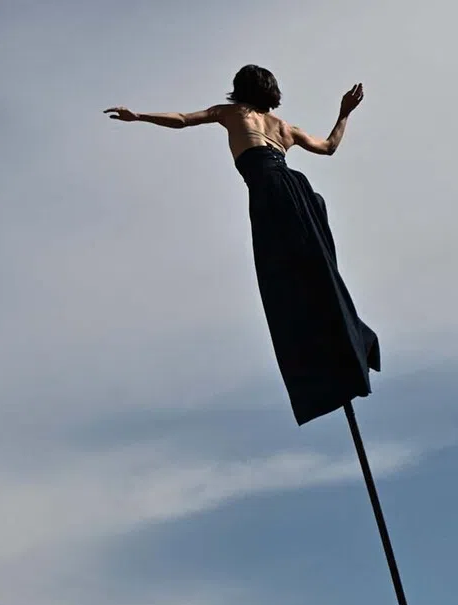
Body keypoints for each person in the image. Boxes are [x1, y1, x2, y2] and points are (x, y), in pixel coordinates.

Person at [104, 64, 380, 425]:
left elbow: (183, 119)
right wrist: (343, 114)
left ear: (240, 89)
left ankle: (335, 349)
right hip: (298, 191)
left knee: (286, 278)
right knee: (316, 273)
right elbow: (329, 147)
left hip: (272, 193)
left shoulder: (232, 113)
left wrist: (139, 116)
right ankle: (347, 342)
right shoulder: (286, 128)